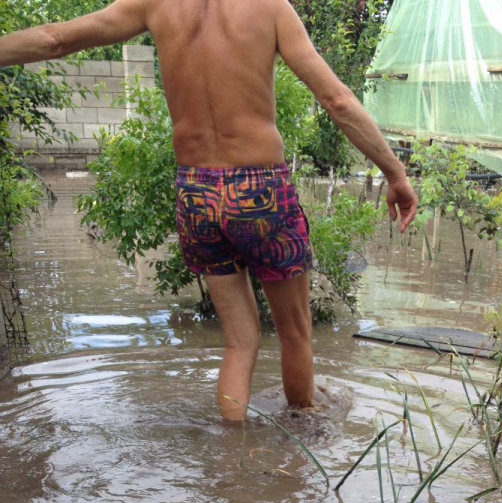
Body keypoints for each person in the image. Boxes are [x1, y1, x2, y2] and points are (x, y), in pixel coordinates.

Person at [0, 0, 418, 421]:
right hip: (262, 190)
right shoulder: (271, 8)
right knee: (295, 333)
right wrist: (395, 173)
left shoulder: (154, 5)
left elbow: (54, 40)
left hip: (196, 192)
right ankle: (301, 457)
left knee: (240, 342)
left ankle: (230, 467)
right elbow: (338, 101)